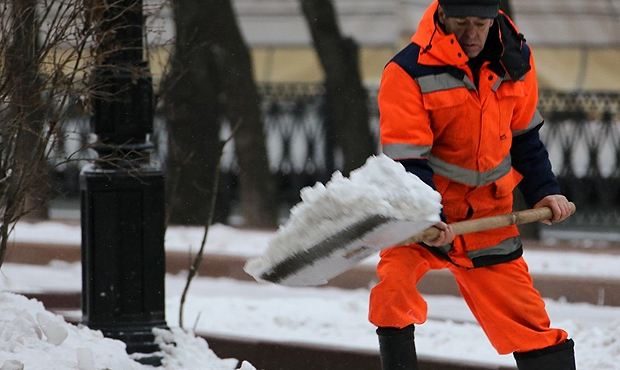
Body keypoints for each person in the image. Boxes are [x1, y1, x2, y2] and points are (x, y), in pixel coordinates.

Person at [371, 0, 576, 369]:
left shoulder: (515, 60)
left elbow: (526, 138)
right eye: (461, 22)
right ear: (442, 15)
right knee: (392, 293)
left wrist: (546, 189)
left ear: (494, 17)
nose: (471, 35)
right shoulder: (408, 71)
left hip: (488, 215)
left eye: (480, 23)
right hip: (421, 215)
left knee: (527, 322)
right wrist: (424, 216)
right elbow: (408, 158)